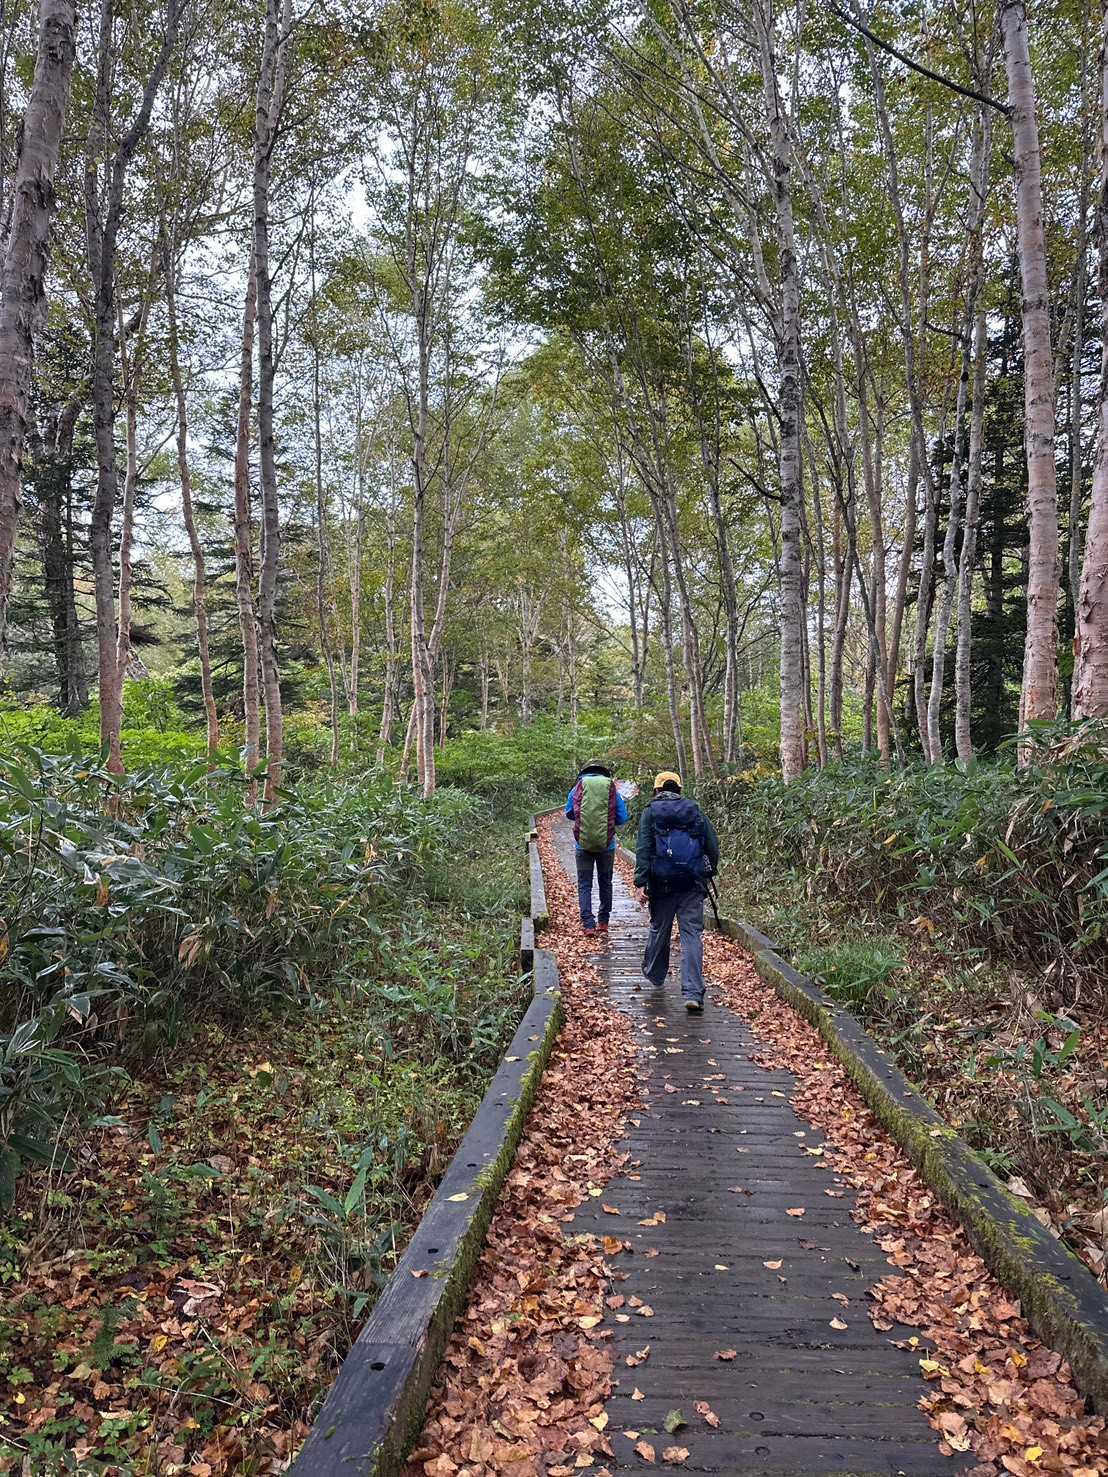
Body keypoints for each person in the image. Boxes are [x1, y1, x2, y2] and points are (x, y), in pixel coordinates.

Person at [634, 770, 720, 1012]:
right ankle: (693, 992)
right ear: (679, 789)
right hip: (691, 884)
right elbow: (712, 845)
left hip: (661, 884)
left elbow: (644, 848)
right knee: (691, 935)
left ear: (657, 790)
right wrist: (707, 872)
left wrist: (641, 882)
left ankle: (655, 973)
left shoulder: (650, 812)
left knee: (659, 928)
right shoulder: (695, 810)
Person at [565, 760, 629, 933]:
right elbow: (623, 817)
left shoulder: (578, 787)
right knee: (605, 882)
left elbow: (569, 813)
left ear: (585, 772)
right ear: (604, 773)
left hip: (582, 845)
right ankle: (603, 921)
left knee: (584, 883)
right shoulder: (611, 788)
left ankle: (588, 924)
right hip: (607, 845)